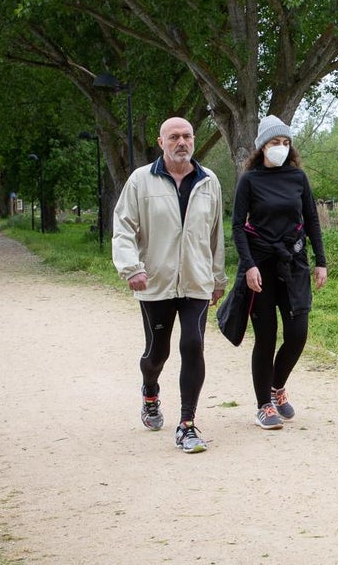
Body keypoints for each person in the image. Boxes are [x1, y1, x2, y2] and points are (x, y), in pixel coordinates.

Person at [112, 117, 226, 453]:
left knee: (193, 345)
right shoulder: (141, 181)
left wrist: (218, 278)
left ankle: (187, 425)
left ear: (194, 140)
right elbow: (123, 228)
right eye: (173, 137)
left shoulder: (209, 181)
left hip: (196, 280)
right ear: (161, 142)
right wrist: (131, 268)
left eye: (187, 136)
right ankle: (150, 391)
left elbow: (216, 234)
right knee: (157, 353)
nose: (182, 142)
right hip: (156, 282)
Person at [231, 115, 327, 430]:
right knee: (266, 336)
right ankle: (263, 406)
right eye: (275, 143)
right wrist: (249, 266)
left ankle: (277, 388)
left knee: (298, 333)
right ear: (262, 147)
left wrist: (321, 261)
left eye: (286, 143)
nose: (281, 148)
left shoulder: (297, 178)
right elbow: (237, 226)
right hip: (261, 266)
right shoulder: (249, 179)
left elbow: (312, 219)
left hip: (294, 264)